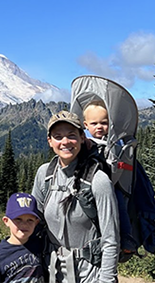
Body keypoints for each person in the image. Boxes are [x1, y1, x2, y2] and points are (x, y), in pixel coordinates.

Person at [32, 111, 119, 283]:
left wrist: (107, 280)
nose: (65, 142)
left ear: (82, 137)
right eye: (58, 136)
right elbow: (34, 223)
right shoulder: (45, 174)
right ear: (50, 141)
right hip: (52, 271)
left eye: (71, 135)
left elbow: (111, 239)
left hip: (91, 274)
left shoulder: (98, 180)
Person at [82, 101, 136, 256]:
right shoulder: (82, 140)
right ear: (86, 125)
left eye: (104, 123)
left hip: (110, 184)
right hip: (85, 182)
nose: (99, 127)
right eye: (94, 123)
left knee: (119, 205)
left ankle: (126, 238)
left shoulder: (113, 140)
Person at [0, 193, 45, 283]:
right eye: (18, 219)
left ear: (36, 222)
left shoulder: (40, 244)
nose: (24, 224)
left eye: (30, 220)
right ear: (6, 221)